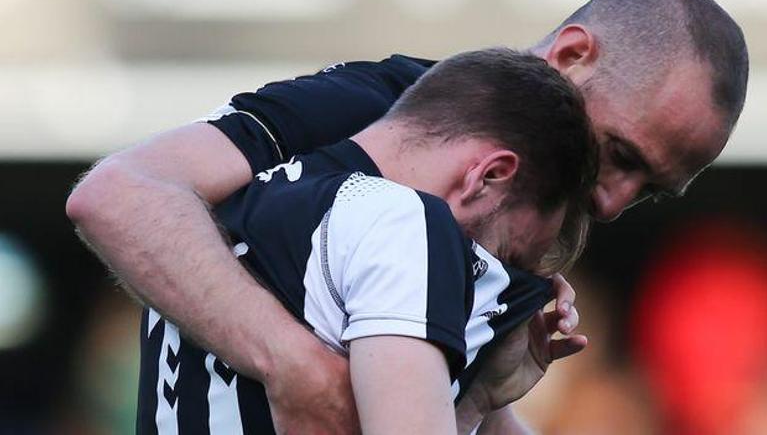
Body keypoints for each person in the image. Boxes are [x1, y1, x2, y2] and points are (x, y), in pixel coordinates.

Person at [66, 0, 749, 434]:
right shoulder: (387, 116)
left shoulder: (524, 209)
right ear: (572, 54)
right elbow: (119, 193)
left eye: (650, 190)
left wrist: (484, 396)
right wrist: (293, 365)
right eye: (622, 155)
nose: (610, 201)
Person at [141, 48, 597, 434]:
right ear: (488, 176)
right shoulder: (407, 221)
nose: (486, 293)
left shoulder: (215, 209)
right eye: (500, 258)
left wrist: (477, 400)